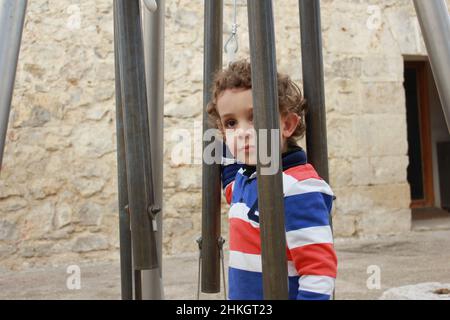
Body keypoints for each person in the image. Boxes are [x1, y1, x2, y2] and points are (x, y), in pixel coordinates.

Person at [206, 59, 337, 300]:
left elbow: (319, 271)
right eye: (231, 123)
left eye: (255, 118)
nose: (243, 132)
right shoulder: (246, 180)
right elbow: (230, 182)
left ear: (287, 124)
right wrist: (225, 140)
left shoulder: (298, 187)